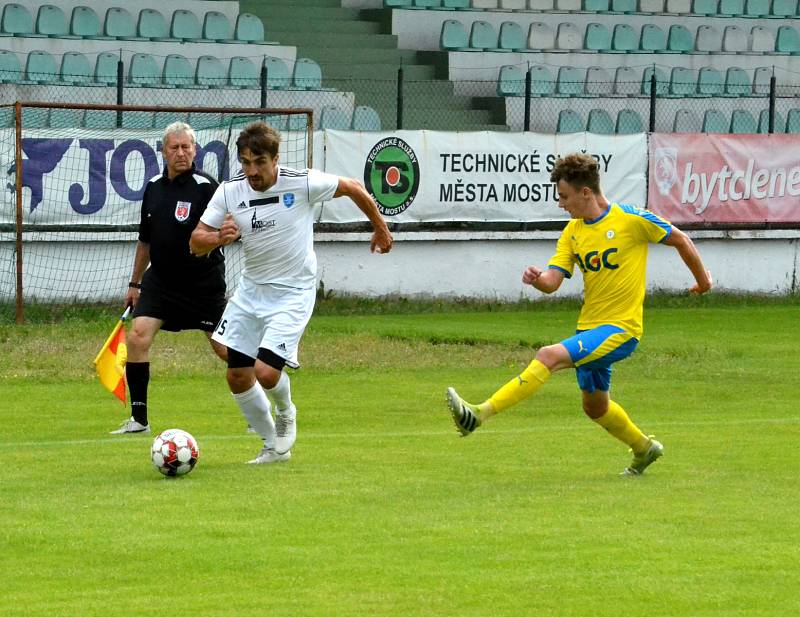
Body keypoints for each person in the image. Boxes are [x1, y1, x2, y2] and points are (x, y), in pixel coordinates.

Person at [446, 152, 712, 476]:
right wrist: (537, 279)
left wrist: (703, 281)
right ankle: (644, 448)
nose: (561, 204)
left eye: (564, 196)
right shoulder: (572, 232)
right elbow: (553, 282)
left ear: (586, 193)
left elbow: (681, 239)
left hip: (622, 329)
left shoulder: (631, 220)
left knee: (548, 355)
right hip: (589, 330)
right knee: (595, 407)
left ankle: (478, 414)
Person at [189, 121, 393, 464]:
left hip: (293, 291)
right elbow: (195, 242)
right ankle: (272, 447)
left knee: (266, 373)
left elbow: (354, 187)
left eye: (259, 162)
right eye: (245, 162)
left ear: (275, 159)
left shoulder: (301, 182)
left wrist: (381, 229)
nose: (251, 171)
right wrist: (219, 238)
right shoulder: (229, 191)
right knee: (237, 375)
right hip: (252, 291)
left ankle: (286, 411)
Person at [111, 122, 227, 435]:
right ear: (163, 151)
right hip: (160, 281)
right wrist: (135, 283)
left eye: (186, 147)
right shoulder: (152, 186)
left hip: (202, 282)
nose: (180, 153)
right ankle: (139, 420)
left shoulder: (206, 187)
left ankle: (258, 403)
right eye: (174, 147)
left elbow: (226, 230)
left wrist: (217, 239)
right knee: (137, 337)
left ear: (195, 150)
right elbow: (145, 240)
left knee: (225, 348)